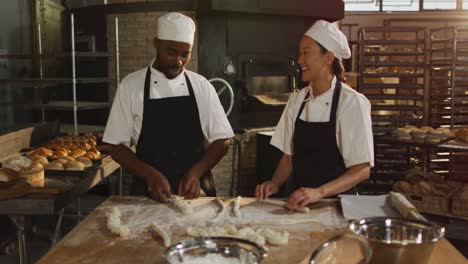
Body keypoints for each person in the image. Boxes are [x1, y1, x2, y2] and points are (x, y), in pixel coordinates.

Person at [103, 12, 234, 202]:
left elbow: (222, 141)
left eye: (185, 54)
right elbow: (115, 145)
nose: (178, 61)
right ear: (157, 44)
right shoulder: (131, 85)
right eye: (171, 52)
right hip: (148, 191)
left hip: (195, 191)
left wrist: (196, 173)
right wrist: (150, 175)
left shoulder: (201, 86)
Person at [255, 20, 374, 209]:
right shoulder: (298, 100)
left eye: (306, 53)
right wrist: (274, 183)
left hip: (339, 206)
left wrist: (319, 192)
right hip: (302, 203)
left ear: (328, 57)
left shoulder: (351, 103)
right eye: (300, 53)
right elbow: (288, 158)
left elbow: (361, 170)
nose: (300, 60)